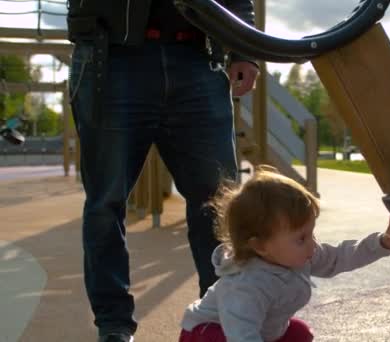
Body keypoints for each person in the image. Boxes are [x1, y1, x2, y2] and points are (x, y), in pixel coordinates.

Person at [66, 0, 259, 341]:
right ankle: (113, 325)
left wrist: (244, 49)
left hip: (198, 56)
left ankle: (223, 315)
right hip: (112, 55)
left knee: (219, 201)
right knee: (105, 203)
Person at [178, 167, 390, 341]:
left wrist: (386, 241)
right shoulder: (244, 286)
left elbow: (340, 257)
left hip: (261, 332)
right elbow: (242, 336)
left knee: (298, 332)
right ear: (260, 246)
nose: (312, 245)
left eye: (311, 234)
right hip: (208, 334)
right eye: (301, 238)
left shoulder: (297, 255)